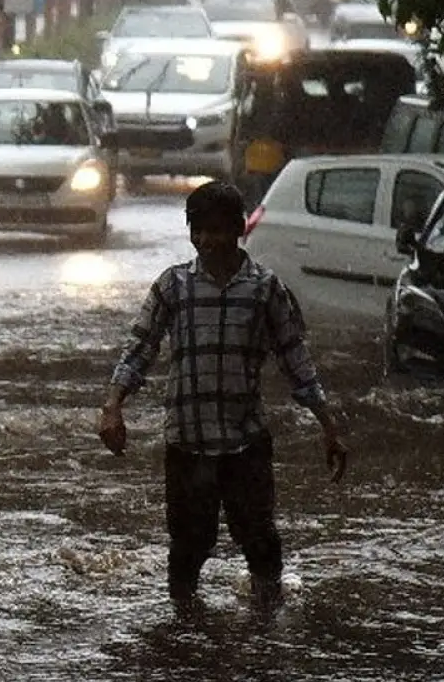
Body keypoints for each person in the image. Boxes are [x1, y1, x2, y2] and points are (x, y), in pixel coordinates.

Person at [99, 180, 349, 613]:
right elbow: (140, 347)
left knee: (260, 542)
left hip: (245, 441)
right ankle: (185, 633)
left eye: (216, 230)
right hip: (187, 441)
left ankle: (266, 630)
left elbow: (296, 360)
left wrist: (327, 425)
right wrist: (112, 405)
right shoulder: (172, 286)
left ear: (237, 230)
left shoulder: (265, 289)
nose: (207, 241)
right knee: (188, 548)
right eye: (199, 231)